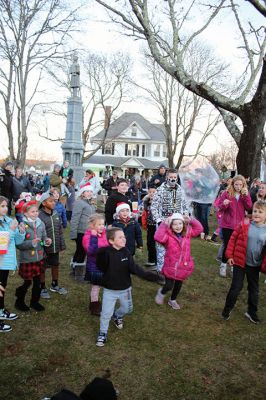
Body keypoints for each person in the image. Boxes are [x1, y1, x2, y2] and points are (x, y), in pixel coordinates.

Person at [95, 227, 158, 347]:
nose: (124, 239)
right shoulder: (105, 253)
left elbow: (134, 269)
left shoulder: (126, 252)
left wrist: (151, 276)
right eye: (120, 237)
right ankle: (103, 333)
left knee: (128, 309)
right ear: (111, 241)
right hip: (110, 290)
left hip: (125, 289)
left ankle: (117, 315)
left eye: (124, 236)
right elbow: (100, 266)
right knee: (105, 313)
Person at [221, 200, 266, 323]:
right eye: (255, 211)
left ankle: (251, 312)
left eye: (260, 212)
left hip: (255, 265)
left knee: (254, 289)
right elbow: (233, 238)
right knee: (236, 287)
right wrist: (229, 255)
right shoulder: (245, 223)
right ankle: (227, 309)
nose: (257, 213)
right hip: (240, 262)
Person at [154, 213, 203, 309]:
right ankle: (162, 292)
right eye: (175, 224)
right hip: (171, 265)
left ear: (184, 224)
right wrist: (164, 224)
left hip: (183, 265)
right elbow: (158, 237)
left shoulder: (187, 233)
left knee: (178, 284)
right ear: (171, 225)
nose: (178, 226)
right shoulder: (168, 236)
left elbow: (199, 229)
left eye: (180, 223)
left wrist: (191, 220)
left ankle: (172, 300)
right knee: (169, 285)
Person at [15, 200, 52, 312]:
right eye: (32, 212)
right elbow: (19, 244)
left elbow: (44, 237)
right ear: (25, 213)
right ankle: (19, 301)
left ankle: (34, 302)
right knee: (27, 282)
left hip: (39, 258)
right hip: (27, 259)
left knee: (38, 282)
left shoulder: (40, 223)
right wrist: (31, 243)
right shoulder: (22, 226)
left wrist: (46, 241)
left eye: (36, 211)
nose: (35, 213)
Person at [150, 168, 189, 272]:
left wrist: (185, 215)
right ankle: (161, 271)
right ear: (167, 177)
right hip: (164, 223)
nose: (173, 179)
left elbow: (185, 205)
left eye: (174, 177)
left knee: (176, 247)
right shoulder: (160, 190)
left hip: (178, 224)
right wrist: (158, 220)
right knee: (162, 248)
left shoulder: (180, 189)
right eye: (171, 177)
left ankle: (173, 269)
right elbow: (154, 206)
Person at [217, 174, 252, 277]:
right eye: (236, 184)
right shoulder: (226, 193)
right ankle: (223, 265)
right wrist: (224, 204)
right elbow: (219, 207)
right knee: (227, 245)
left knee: (237, 246)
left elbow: (249, 207)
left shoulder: (245, 194)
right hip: (227, 225)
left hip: (239, 225)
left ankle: (233, 266)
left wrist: (246, 196)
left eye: (240, 185)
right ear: (232, 184)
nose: (238, 187)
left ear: (243, 185)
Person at [0, 195, 25, 332]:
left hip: (6, 262)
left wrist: (21, 231)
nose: (5, 209)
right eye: (2, 206)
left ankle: (1, 311)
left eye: (6, 206)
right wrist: (10, 230)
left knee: (2, 288)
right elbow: (1, 245)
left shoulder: (8, 220)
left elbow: (18, 241)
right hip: (0, 262)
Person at [38, 191, 67, 299]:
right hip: (44, 248)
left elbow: (59, 230)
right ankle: (42, 287)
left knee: (55, 265)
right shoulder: (39, 216)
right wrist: (41, 245)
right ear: (44, 203)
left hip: (55, 246)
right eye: (51, 201)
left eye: (54, 201)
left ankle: (55, 284)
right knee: (43, 267)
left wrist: (62, 245)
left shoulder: (55, 213)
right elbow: (38, 234)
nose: (54, 203)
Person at [82, 214, 108, 315]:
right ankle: (94, 307)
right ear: (92, 226)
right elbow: (91, 251)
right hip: (95, 267)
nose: (102, 226)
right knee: (96, 288)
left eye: (103, 224)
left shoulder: (104, 234)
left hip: (104, 266)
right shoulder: (88, 236)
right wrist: (93, 237)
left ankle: (104, 303)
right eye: (99, 224)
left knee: (104, 286)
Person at [70, 183, 95, 279]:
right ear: (82, 193)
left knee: (80, 250)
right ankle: (79, 274)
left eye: (91, 191)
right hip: (81, 231)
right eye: (87, 191)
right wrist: (73, 233)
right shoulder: (80, 203)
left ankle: (74, 269)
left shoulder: (89, 203)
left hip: (88, 231)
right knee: (82, 251)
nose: (89, 193)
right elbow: (75, 218)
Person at [141, 185, 157, 267]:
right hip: (149, 225)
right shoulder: (146, 201)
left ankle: (157, 260)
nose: (152, 193)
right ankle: (151, 260)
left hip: (157, 226)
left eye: (154, 192)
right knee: (150, 243)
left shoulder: (159, 202)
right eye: (150, 192)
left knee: (157, 243)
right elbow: (145, 212)